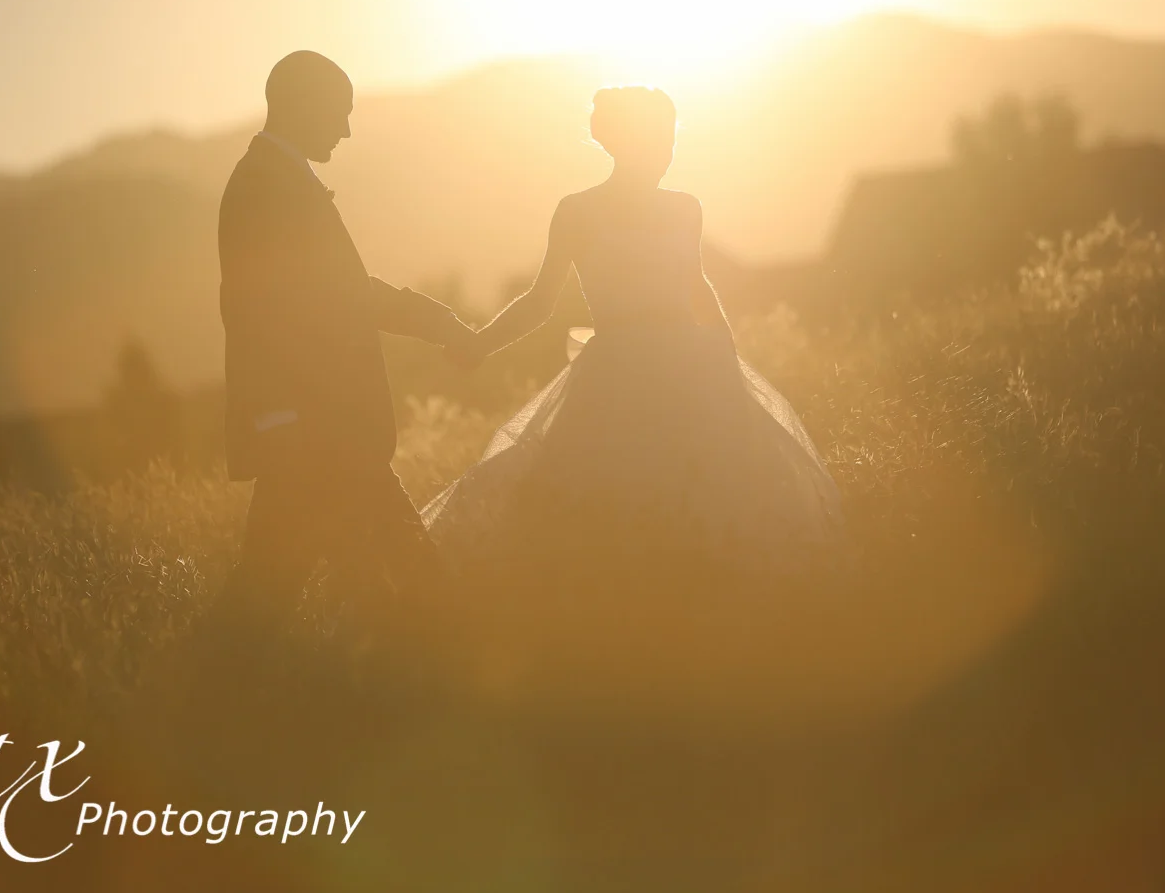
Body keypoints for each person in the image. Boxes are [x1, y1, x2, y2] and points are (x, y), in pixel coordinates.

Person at [425, 86, 842, 572]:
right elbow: (540, 303)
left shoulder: (684, 207)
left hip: (690, 366)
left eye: (670, 140)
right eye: (656, 139)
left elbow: (696, 284)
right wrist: (480, 344)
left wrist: (726, 354)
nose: (665, 152)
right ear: (622, 142)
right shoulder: (578, 211)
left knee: (708, 487)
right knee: (613, 498)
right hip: (616, 375)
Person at [217, 50, 474, 630]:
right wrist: (440, 324)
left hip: (314, 430)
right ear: (302, 105)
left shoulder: (274, 179)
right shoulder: (267, 187)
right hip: (315, 429)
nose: (347, 128)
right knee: (415, 584)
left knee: (271, 597)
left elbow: (339, 294)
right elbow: (282, 309)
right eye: (339, 112)